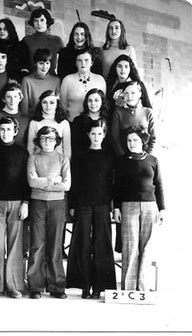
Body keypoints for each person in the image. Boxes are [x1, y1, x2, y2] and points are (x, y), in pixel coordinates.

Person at [66, 119, 116, 299]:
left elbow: (113, 183)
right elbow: (74, 183)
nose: (96, 137)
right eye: (93, 133)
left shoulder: (110, 155)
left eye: (99, 133)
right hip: (83, 204)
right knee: (82, 243)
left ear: (104, 135)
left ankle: (99, 287)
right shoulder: (80, 155)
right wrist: (72, 205)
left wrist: (113, 206)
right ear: (88, 135)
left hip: (102, 204)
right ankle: (85, 285)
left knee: (101, 243)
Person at [113, 126, 165, 290]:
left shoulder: (153, 160)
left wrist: (162, 209)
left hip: (150, 207)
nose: (131, 143)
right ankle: (128, 289)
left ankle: (142, 287)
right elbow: (117, 187)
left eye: (135, 140)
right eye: (129, 140)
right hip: (128, 206)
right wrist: (116, 208)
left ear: (142, 141)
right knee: (130, 246)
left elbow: (159, 186)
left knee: (146, 246)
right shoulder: (121, 162)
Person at [0, 117, 30, 298]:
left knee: (15, 245)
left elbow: (26, 181)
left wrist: (26, 203)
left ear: (15, 131)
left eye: (9, 130)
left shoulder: (22, 153)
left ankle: (14, 285)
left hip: (17, 203)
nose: (5, 133)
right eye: (2, 130)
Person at [27, 126, 70, 299]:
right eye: (44, 138)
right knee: (37, 244)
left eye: (51, 139)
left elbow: (66, 185)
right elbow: (31, 181)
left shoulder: (62, 158)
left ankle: (57, 286)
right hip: (37, 203)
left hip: (58, 204)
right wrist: (53, 180)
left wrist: (43, 182)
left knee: (55, 245)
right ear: (38, 140)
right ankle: (35, 286)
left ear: (57, 141)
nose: (47, 142)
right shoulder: (33, 158)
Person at [111, 80, 156, 158]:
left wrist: (146, 157)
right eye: (126, 93)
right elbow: (115, 139)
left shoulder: (148, 112)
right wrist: (124, 158)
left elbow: (153, 139)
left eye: (133, 93)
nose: (129, 96)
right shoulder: (118, 112)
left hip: (144, 158)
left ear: (140, 94)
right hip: (124, 157)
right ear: (122, 95)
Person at [60, 48, 106, 122]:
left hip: (95, 125)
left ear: (92, 62)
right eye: (79, 60)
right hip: (72, 122)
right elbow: (63, 105)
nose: (83, 63)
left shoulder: (100, 80)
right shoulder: (67, 80)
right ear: (75, 63)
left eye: (86, 60)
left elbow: (103, 104)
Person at [0, 82, 30, 151]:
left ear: (20, 98)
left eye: (15, 97)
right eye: (9, 97)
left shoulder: (26, 119)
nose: (12, 100)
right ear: (3, 99)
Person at [19, 7, 64, 76]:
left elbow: (65, 62)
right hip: (32, 80)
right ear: (33, 23)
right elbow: (21, 63)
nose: (39, 23)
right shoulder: (27, 40)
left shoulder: (56, 40)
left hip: (51, 80)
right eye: (36, 21)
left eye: (42, 20)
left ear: (47, 21)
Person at [27, 90, 71, 159]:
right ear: (40, 104)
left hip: (58, 163)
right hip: (39, 161)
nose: (48, 106)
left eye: (52, 103)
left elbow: (67, 150)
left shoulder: (64, 123)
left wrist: (65, 166)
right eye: (45, 102)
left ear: (57, 104)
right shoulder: (34, 123)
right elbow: (30, 148)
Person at [70, 88, 111, 158]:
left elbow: (110, 144)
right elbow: (75, 146)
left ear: (102, 102)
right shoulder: (78, 121)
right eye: (90, 101)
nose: (93, 103)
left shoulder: (108, 120)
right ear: (86, 103)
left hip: (104, 159)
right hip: (83, 160)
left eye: (96, 100)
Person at [20, 48, 61, 117]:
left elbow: (59, 107)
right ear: (35, 63)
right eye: (41, 63)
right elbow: (24, 110)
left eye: (47, 63)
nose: (45, 67)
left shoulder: (56, 81)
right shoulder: (27, 80)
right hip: (33, 120)